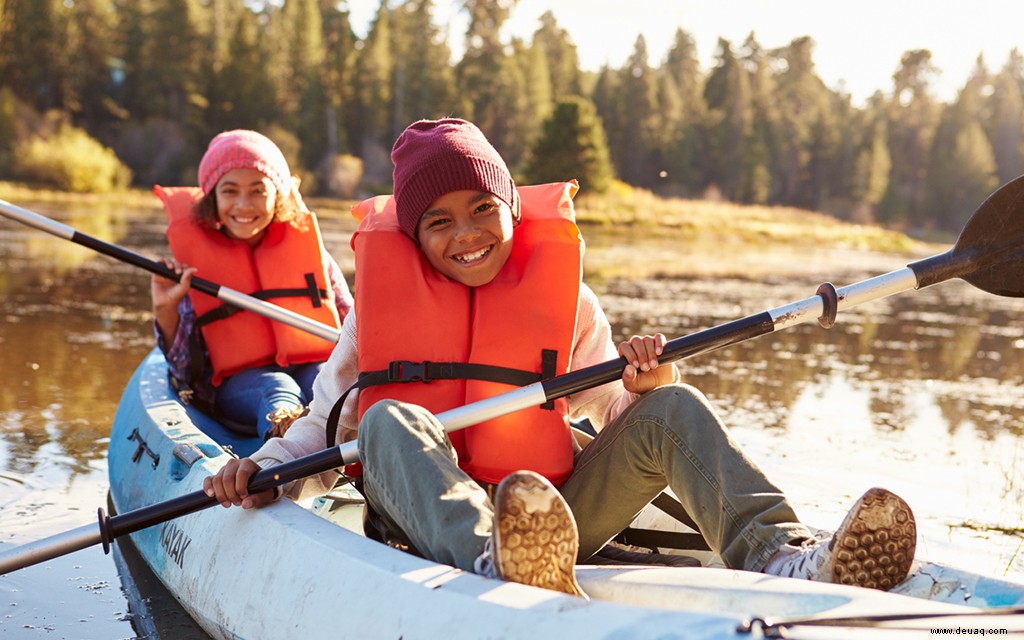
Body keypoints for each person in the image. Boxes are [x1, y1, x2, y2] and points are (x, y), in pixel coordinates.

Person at [204, 119, 916, 597]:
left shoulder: (568, 303)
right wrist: (265, 474)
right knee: (385, 416)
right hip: (432, 527)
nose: (468, 234)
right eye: (440, 222)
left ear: (513, 208)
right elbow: (322, 420)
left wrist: (648, 382)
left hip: (557, 518)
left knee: (675, 406)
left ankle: (784, 555)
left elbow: (614, 414)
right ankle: (492, 556)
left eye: (483, 208)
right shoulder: (376, 317)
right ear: (414, 239)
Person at [152, 130, 353, 441]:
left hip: (311, 365)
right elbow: (183, 372)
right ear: (213, 197)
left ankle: (349, 454)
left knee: (324, 381)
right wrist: (166, 310)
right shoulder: (196, 267)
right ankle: (286, 443)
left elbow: (352, 328)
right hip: (240, 384)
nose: (244, 205)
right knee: (276, 388)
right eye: (230, 191)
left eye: (258, 191)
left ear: (278, 196)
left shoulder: (314, 256)